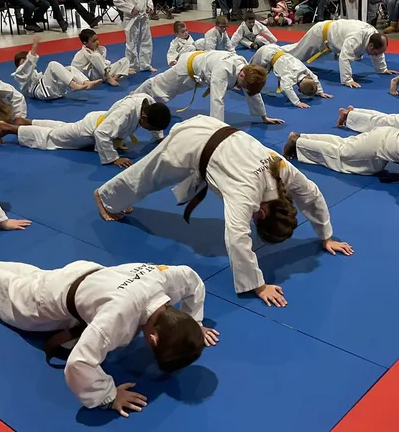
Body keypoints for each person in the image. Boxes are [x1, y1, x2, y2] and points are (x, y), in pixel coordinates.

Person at [94, 114, 353, 307]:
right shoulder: (246, 194)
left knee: (152, 176)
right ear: (260, 214)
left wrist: (325, 235)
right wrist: (258, 285)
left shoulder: (281, 169)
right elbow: (237, 238)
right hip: (190, 142)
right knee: (148, 176)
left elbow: (312, 194)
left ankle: (112, 196)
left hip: (215, 128)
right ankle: (104, 196)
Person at [0, 259, 213, 416]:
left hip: (91, 273)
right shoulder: (117, 316)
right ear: (152, 338)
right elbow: (79, 363)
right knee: (18, 302)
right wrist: (109, 395)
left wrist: (195, 324)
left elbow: (194, 280)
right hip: (60, 297)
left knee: (38, 279)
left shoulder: (168, 279)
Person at [283, 90, 399, 199]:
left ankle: (301, 137)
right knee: (343, 152)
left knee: (344, 144)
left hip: (387, 139)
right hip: (378, 144)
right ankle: (297, 143)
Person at [0, 94, 172, 168]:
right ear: (144, 119)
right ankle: (9, 128)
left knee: (62, 128)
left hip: (101, 119)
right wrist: (114, 158)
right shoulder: (125, 114)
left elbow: (155, 124)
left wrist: (159, 138)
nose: (148, 130)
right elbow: (101, 133)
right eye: (150, 128)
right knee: (53, 138)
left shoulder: (148, 103)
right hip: (91, 129)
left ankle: (27, 121)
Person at [134, 50, 283, 125]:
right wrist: (219, 129)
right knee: (158, 89)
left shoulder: (245, 66)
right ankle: (133, 98)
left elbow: (252, 92)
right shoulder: (222, 72)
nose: (242, 87)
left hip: (201, 62)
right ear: (242, 75)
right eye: (243, 84)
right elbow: (217, 101)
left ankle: (138, 99)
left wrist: (264, 117)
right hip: (186, 70)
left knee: (160, 95)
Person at [282, 19, 395, 87]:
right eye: (375, 52)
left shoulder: (374, 36)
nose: (376, 55)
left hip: (330, 35)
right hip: (320, 34)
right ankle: (273, 51)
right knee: (296, 54)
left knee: (296, 50)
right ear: (370, 46)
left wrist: (382, 69)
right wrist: (348, 80)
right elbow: (345, 57)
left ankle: (273, 49)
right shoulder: (356, 38)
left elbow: (379, 53)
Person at [12, 36, 101, 100]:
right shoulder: (19, 74)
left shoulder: (31, 73)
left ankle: (86, 82)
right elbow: (29, 63)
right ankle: (73, 85)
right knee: (52, 64)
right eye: (22, 62)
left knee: (69, 69)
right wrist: (35, 46)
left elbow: (30, 65)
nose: (25, 64)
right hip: (41, 91)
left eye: (25, 61)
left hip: (51, 90)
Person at [250, 44, 332, 109]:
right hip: (265, 54)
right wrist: (297, 102)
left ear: (308, 78)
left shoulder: (303, 70)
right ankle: (238, 82)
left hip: (275, 48)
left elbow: (315, 77)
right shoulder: (289, 77)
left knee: (255, 70)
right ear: (299, 90)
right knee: (251, 72)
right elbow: (286, 88)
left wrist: (320, 92)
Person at [114, 0, 155, 74]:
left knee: (146, 41)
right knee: (131, 43)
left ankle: (145, 65)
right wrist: (131, 8)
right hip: (130, 19)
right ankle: (131, 65)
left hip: (143, 18)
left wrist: (149, 6)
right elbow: (117, 1)